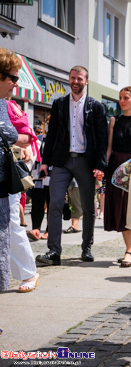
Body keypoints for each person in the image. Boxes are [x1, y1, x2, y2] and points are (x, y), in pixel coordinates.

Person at [36, 65, 108, 266]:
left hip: (86, 162)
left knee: (87, 207)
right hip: (62, 161)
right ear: (69, 80)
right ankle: (54, 251)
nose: (75, 81)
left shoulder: (96, 106)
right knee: (55, 203)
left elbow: (102, 139)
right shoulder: (59, 104)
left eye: (79, 78)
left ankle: (87, 247)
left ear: (86, 81)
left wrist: (100, 165)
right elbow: (51, 136)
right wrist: (45, 162)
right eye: (73, 78)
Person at [104, 86, 131, 267]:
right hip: (115, 166)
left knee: (129, 210)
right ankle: (128, 249)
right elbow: (109, 147)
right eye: (120, 98)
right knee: (119, 210)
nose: (122, 101)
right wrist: (103, 168)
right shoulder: (114, 120)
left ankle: (129, 251)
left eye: (126, 98)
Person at [6, 97, 41, 292]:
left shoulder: (9, 106)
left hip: (6, 171)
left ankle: (28, 272)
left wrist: (10, 140)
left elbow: (27, 137)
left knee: (10, 222)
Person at [0, 48, 23, 291]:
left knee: (1, 248)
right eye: (13, 78)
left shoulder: (3, 105)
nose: (16, 84)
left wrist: (19, 148)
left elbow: (9, 136)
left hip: (3, 189)